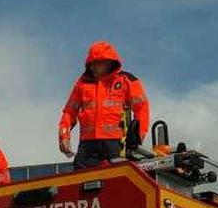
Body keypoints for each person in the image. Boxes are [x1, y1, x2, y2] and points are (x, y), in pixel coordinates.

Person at [58, 41, 150, 169]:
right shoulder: (82, 84)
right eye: (90, 64)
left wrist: (137, 136)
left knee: (116, 183)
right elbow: (69, 112)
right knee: (80, 183)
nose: (92, 67)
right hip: (87, 147)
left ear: (108, 62)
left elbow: (142, 107)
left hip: (115, 145)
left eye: (96, 63)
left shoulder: (126, 80)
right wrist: (64, 135)